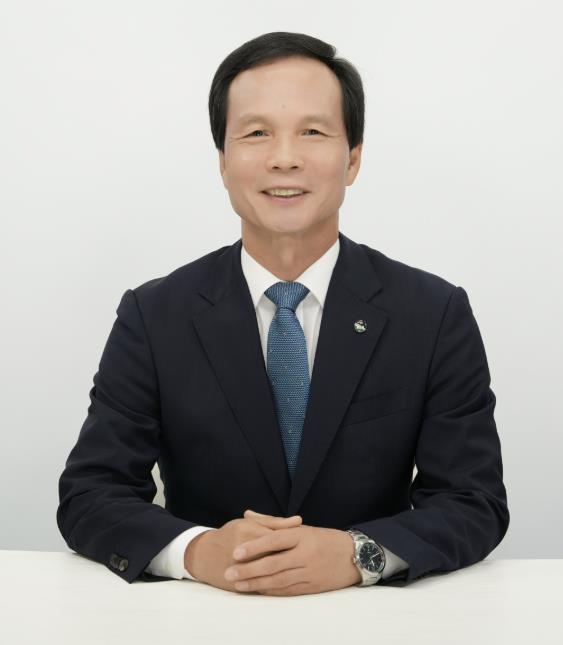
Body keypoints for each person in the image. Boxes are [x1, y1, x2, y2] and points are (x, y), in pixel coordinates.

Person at [56, 31, 510, 596]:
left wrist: (358, 554)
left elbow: (473, 501)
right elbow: (91, 494)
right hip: (204, 616)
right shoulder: (153, 315)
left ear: (353, 158)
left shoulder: (433, 313)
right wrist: (197, 551)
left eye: (313, 132)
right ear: (223, 162)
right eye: (256, 133)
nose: (285, 158)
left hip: (374, 621)